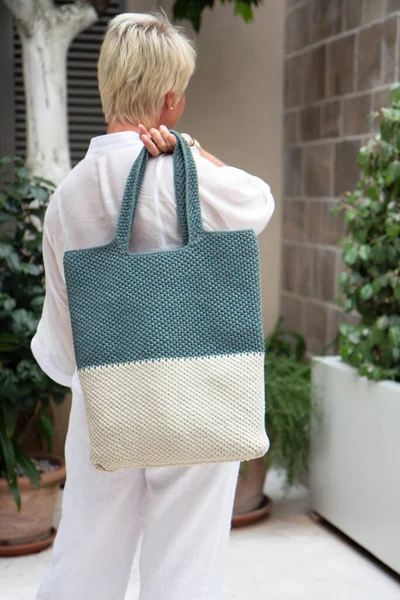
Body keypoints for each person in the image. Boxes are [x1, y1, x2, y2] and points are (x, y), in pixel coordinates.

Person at [32, 12, 275, 600]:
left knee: (87, 551)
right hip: (199, 395)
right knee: (185, 562)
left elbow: (63, 342)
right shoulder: (183, 173)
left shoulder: (67, 198)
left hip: (106, 403)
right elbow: (258, 203)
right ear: (171, 100)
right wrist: (197, 153)